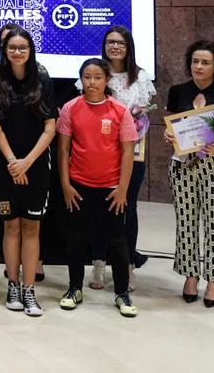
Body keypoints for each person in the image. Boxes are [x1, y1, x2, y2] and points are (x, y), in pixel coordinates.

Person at [58, 58, 139, 318]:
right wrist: (66, 185)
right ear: (81, 79)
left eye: (97, 77)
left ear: (107, 80)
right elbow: (63, 151)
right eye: (87, 77)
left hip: (112, 188)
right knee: (77, 239)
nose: (91, 82)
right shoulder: (70, 108)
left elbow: (128, 152)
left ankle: (122, 293)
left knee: (117, 241)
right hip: (79, 186)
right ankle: (74, 289)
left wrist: (122, 188)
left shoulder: (119, 111)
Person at [0, 26, 56, 317]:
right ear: (5, 50)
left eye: (22, 47)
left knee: (31, 227)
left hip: (36, 166)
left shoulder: (42, 79)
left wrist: (27, 161)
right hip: (6, 166)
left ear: (30, 50)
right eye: (12, 47)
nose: (17, 52)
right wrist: (14, 161)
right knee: (10, 226)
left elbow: (50, 127)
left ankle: (29, 290)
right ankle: (12, 284)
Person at [79, 26, 154, 289]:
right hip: (99, 153)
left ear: (129, 46)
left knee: (128, 207)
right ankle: (99, 263)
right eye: (110, 42)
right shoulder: (96, 73)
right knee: (100, 209)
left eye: (120, 43)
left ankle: (128, 265)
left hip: (132, 153)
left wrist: (135, 119)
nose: (115, 47)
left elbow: (145, 115)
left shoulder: (141, 77)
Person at [165, 39, 214, 308]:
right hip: (182, 164)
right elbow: (170, 126)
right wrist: (167, 134)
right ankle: (190, 275)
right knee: (186, 221)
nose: (199, 67)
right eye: (195, 61)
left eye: (205, 62)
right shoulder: (178, 91)